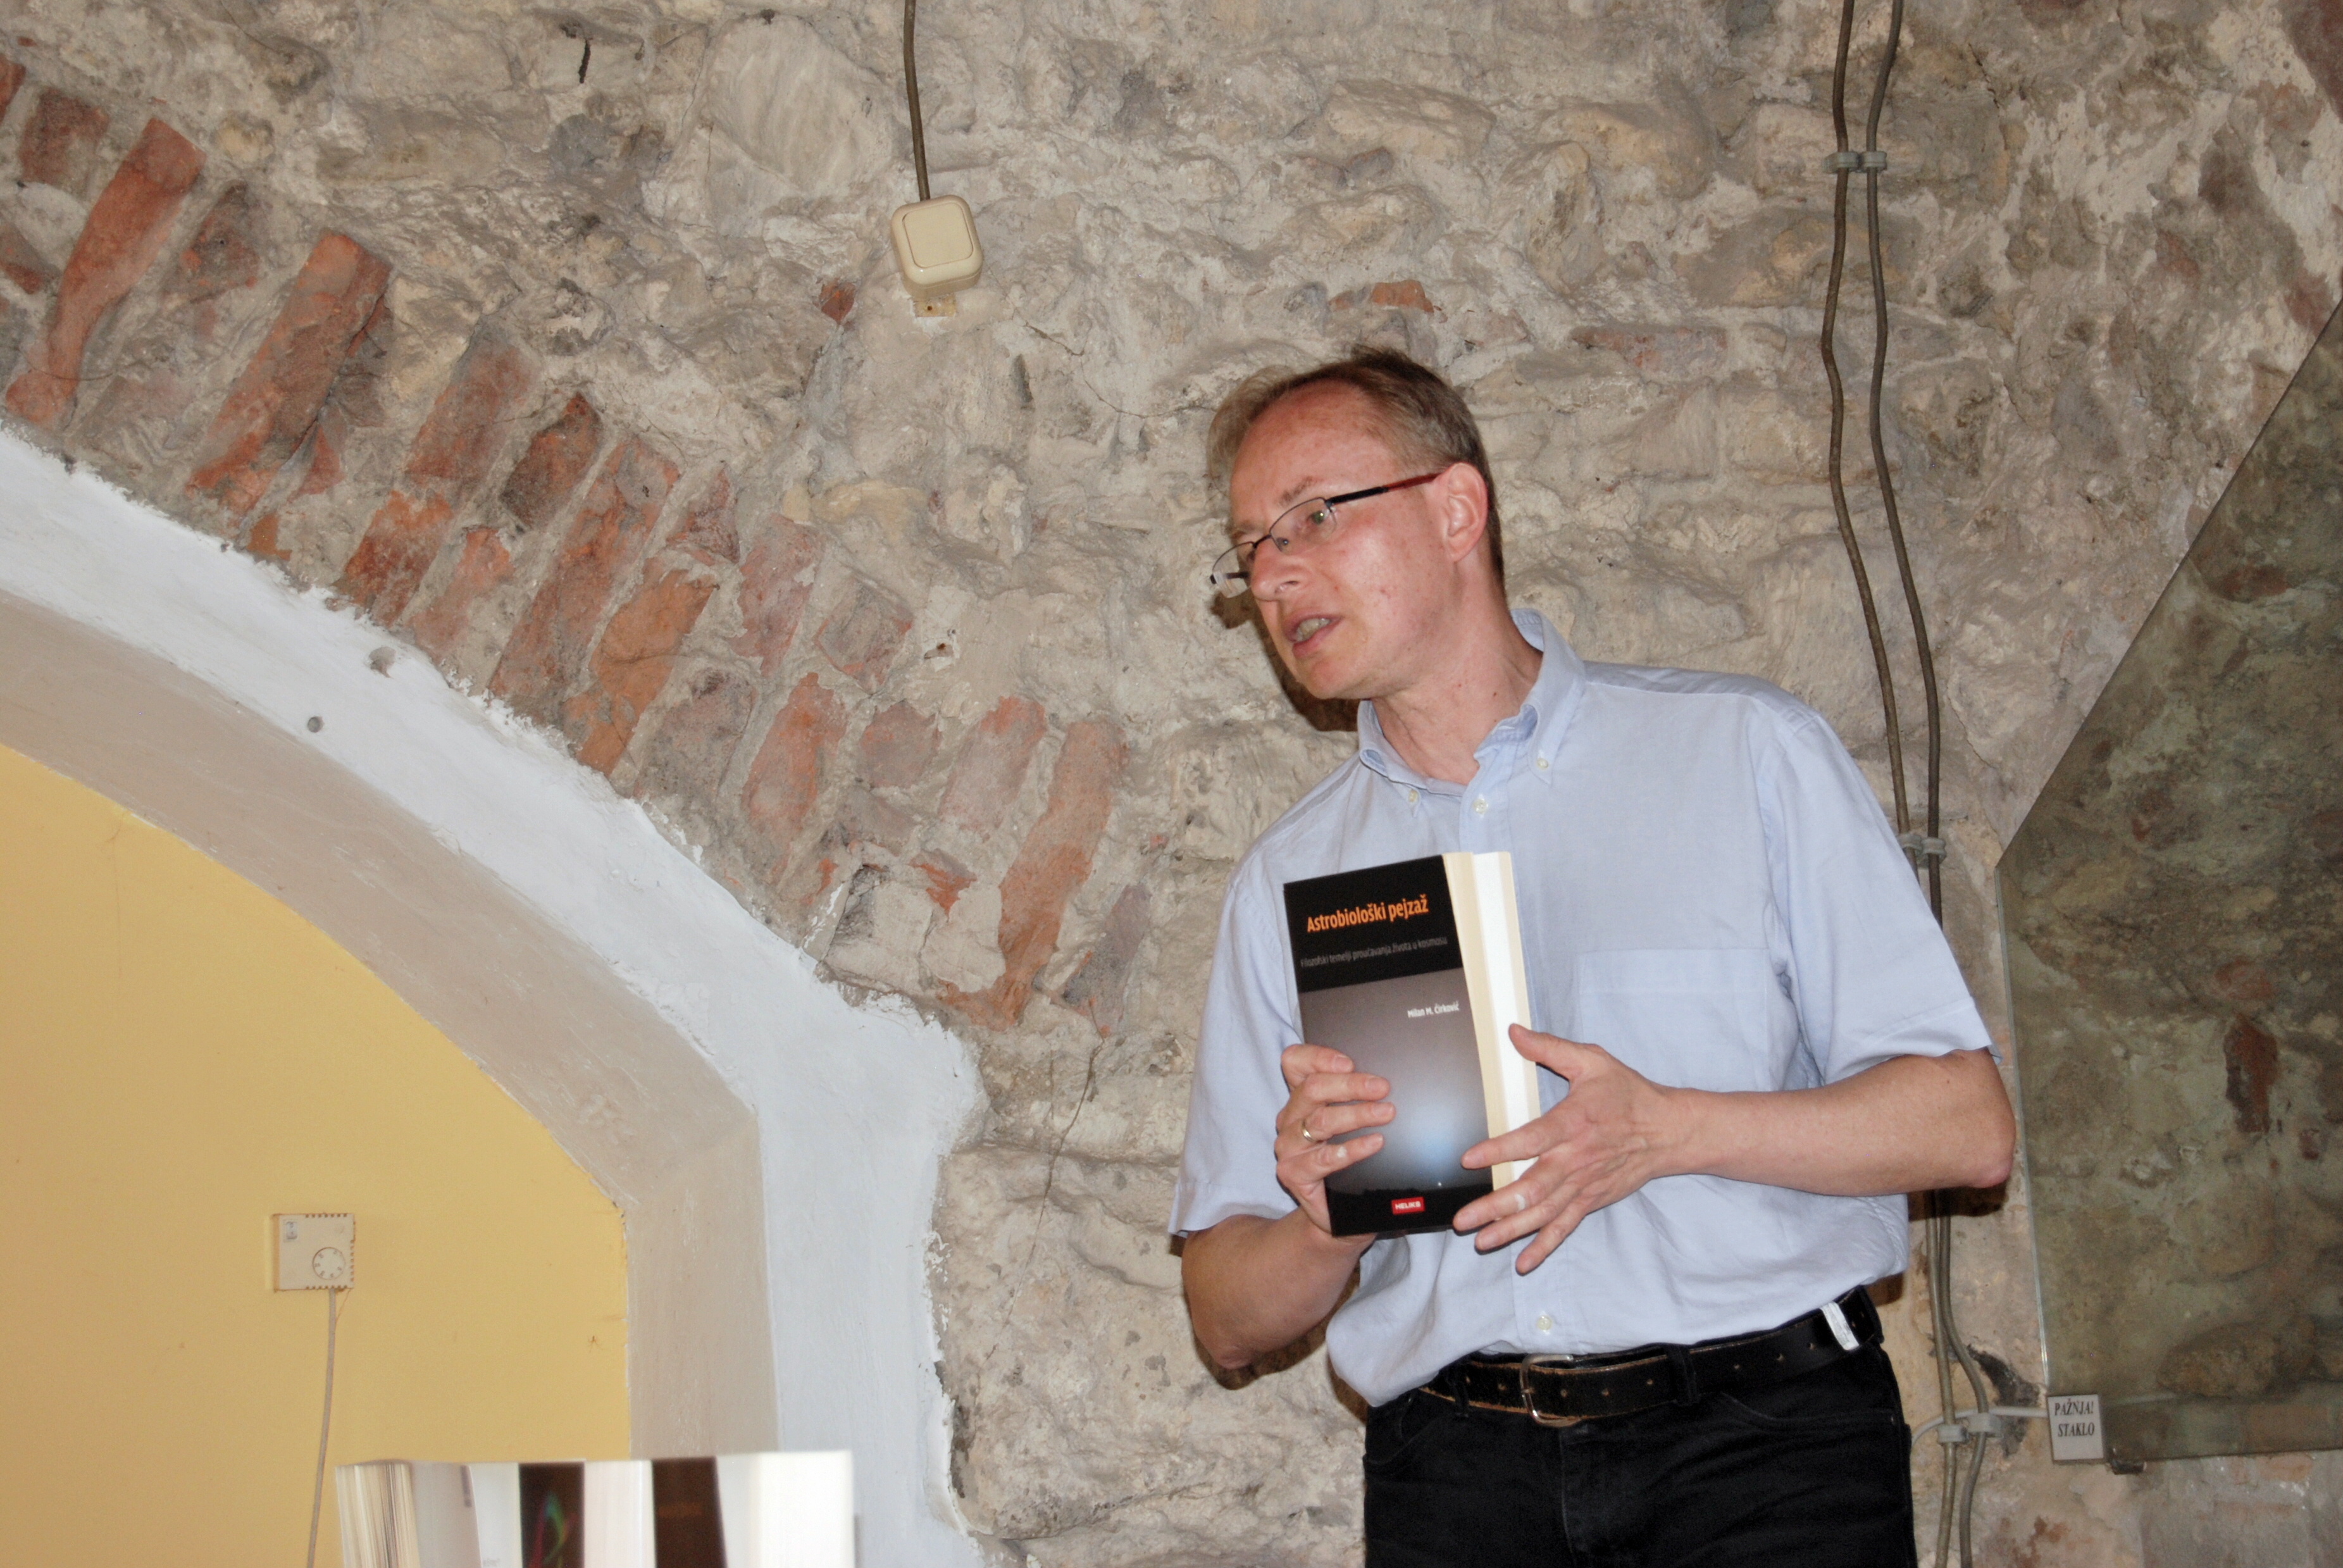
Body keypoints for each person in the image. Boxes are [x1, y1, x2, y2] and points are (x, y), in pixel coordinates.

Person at [1171, 347, 2015, 1567]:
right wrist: (1327, 1218)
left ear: (1457, 509)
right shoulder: (1287, 881)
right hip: (1457, 1479)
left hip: (1765, 1453)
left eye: (1315, 517)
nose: (1275, 572)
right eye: (1251, 546)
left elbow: (1966, 1128)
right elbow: (1225, 1318)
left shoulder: (1744, 752)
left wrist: (1668, 1131)